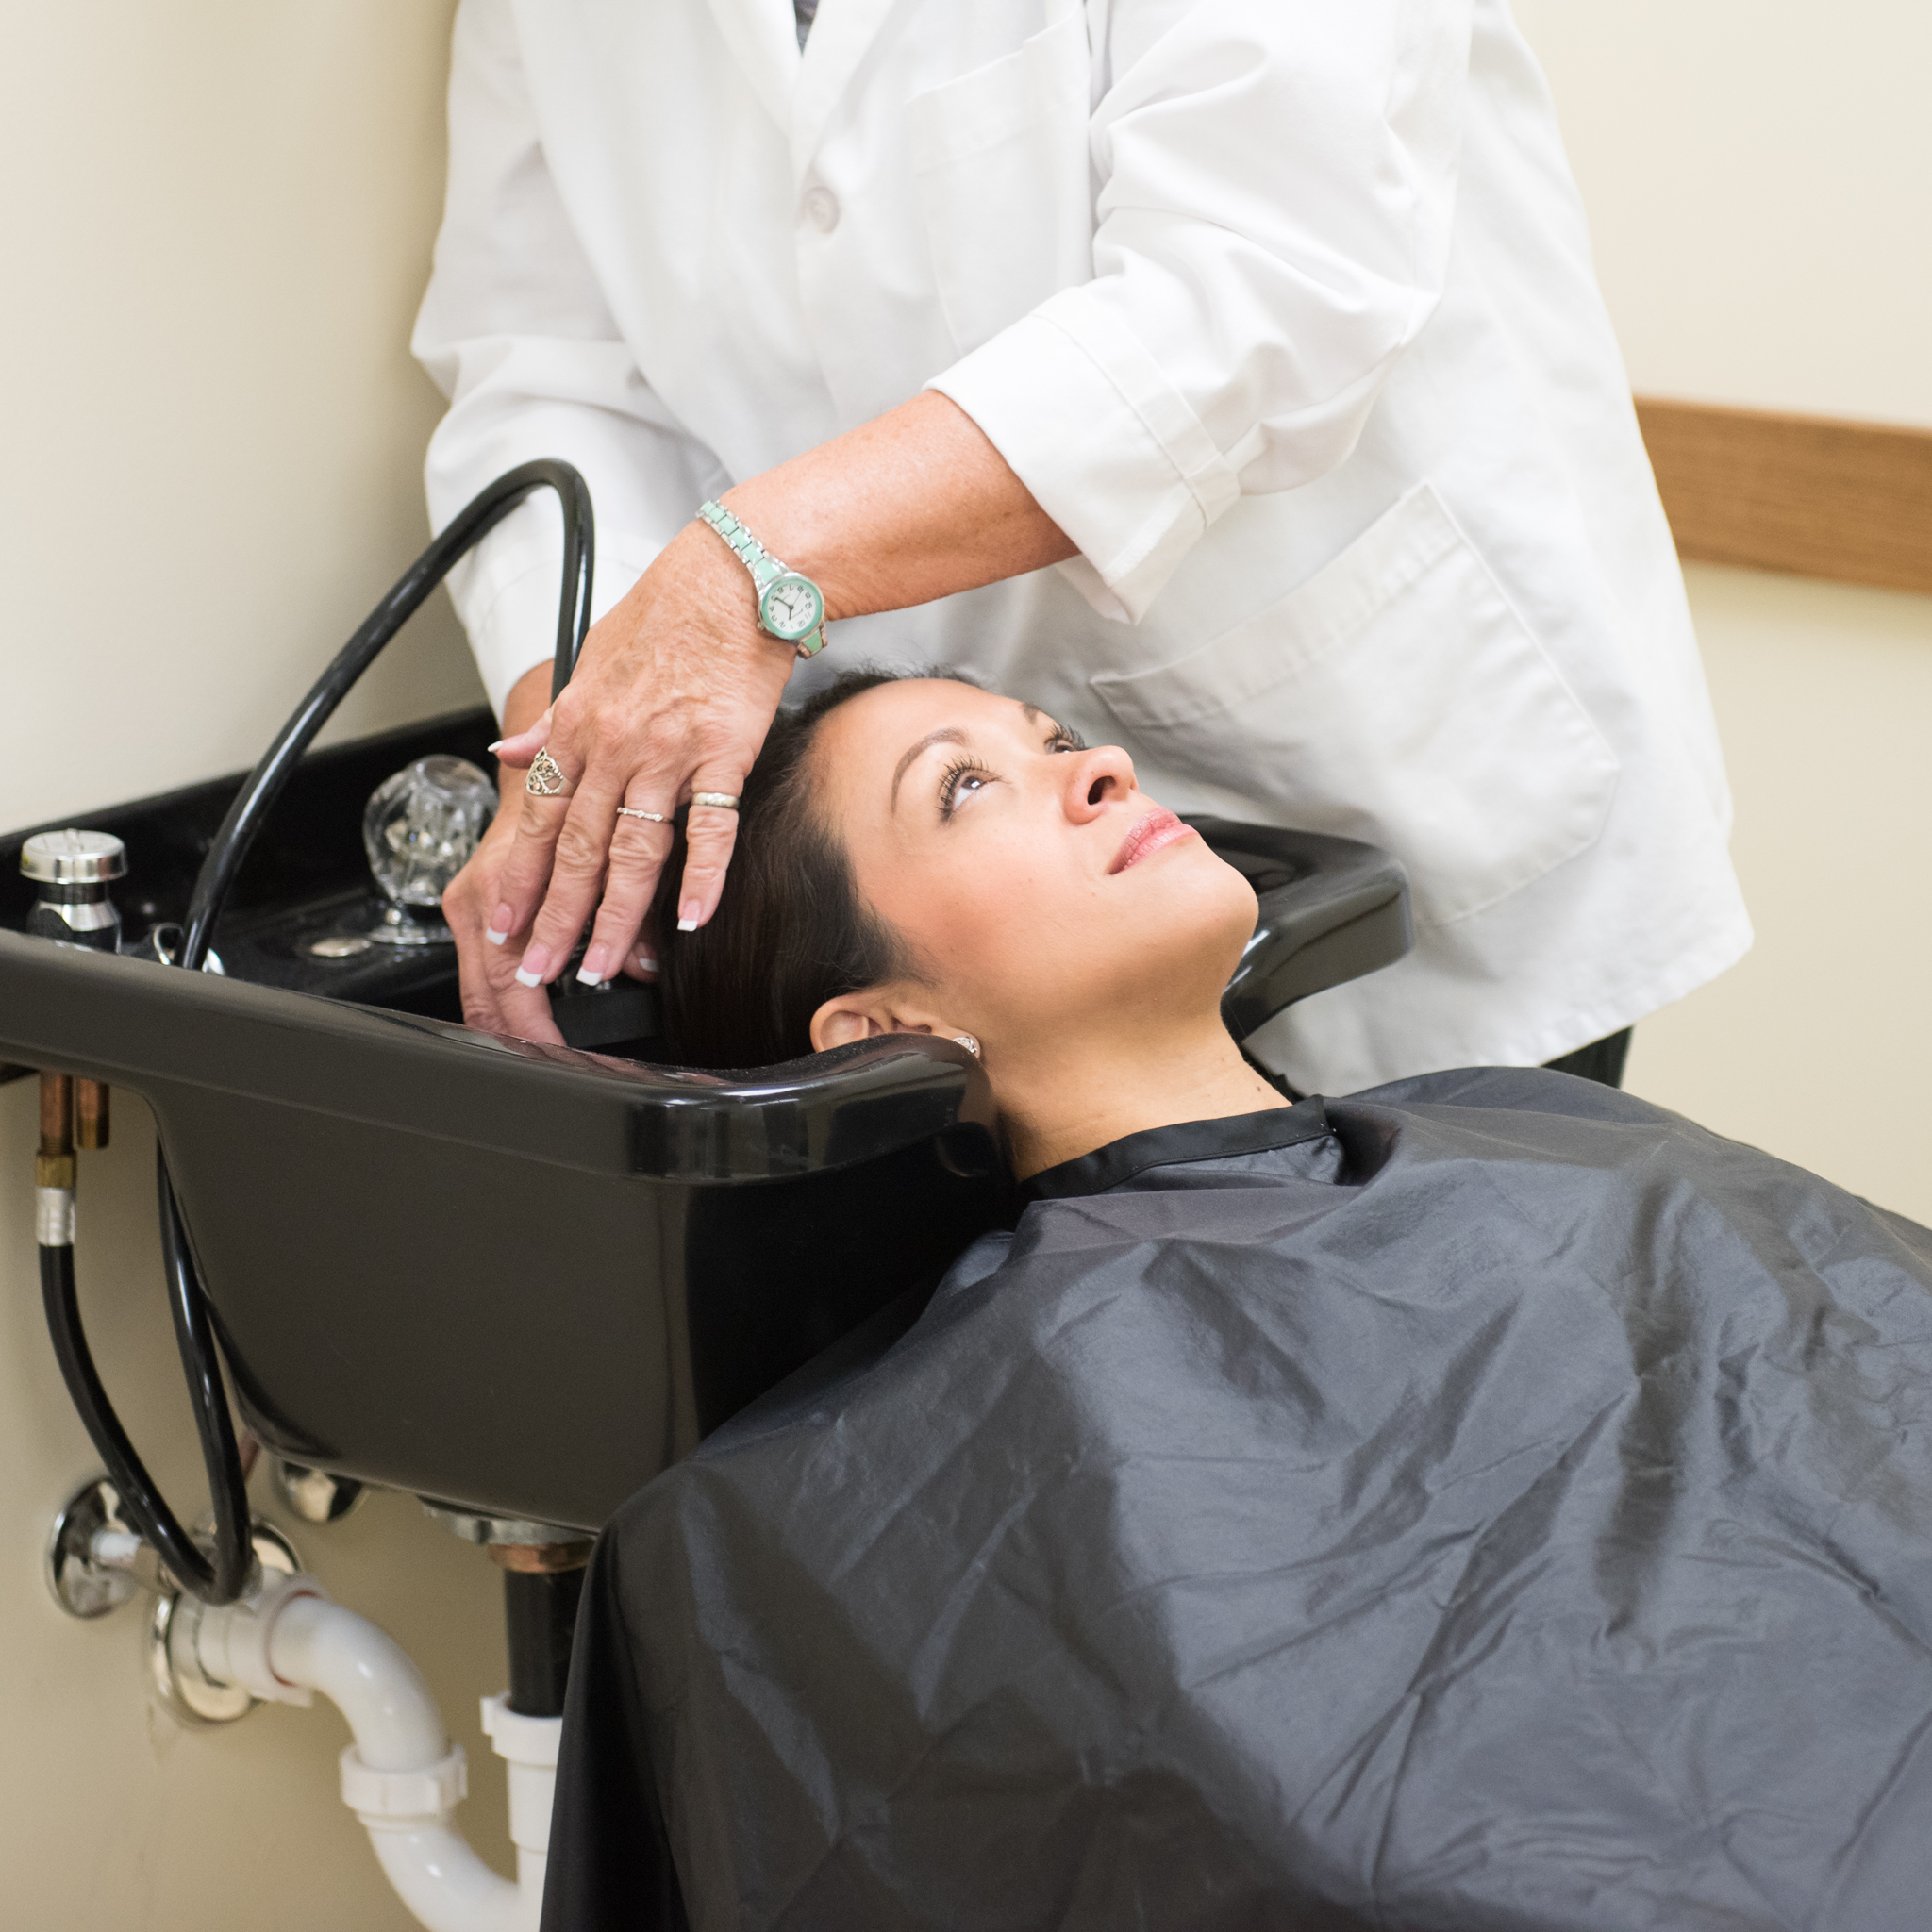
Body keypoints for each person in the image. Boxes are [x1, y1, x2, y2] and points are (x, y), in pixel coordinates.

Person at [540, 673, 1932, 1931]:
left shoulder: (1538, 1131)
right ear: (890, 1033)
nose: (1101, 770)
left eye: (1059, 737)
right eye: (966, 788)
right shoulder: (905, 1476)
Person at [414, 0, 1750, 1098]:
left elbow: (1258, 294)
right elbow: (545, 374)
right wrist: (586, 771)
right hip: (943, 931)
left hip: (1367, 783)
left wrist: (751, 570)